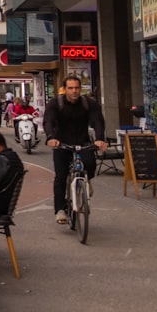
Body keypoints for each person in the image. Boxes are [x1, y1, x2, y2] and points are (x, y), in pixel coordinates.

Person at [43, 75, 107, 225]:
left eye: (77, 88)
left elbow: (98, 121)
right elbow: (49, 120)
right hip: (61, 143)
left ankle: (87, 180)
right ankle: (60, 210)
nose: (74, 91)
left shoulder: (88, 103)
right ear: (64, 89)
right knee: (61, 175)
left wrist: (100, 139)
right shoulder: (56, 103)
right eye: (70, 88)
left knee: (90, 163)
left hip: (82, 141)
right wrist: (50, 137)